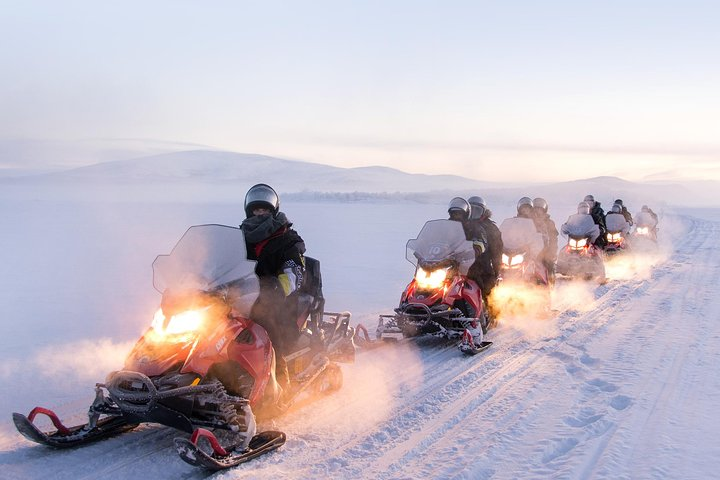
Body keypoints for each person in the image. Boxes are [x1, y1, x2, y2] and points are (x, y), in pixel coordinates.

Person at [240, 183, 307, 393]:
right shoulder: (240, 236)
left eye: (265, 210)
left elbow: (295, 271)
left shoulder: (287, 238)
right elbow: (224, 261)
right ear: (249, 211)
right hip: (242, 296)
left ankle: (279, 381)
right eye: (256, 210)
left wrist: (278, 286)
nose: (260, 214)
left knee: (266, 324)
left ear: (273, 211)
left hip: (277, 301)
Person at [467, 196, 502, 313]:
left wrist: (497, 269)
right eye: (471, 210)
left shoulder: (491, 228)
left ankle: (488, 311)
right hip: (458, 263)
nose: (473, 214)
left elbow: (497, 250)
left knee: (486, 285)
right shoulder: (459, 225)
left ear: (483, 212)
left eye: (477, 210)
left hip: (482, 264)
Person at [532, 197, 559, 282]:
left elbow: (553, 238)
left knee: (548, 263)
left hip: (544, 249)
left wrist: (552, 251)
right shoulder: (528, 221)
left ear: (544, 210)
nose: (537, 211)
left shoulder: (549, 223)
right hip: (529, 249)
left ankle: (549, 284)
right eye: (535, 209)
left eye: (540, 209)